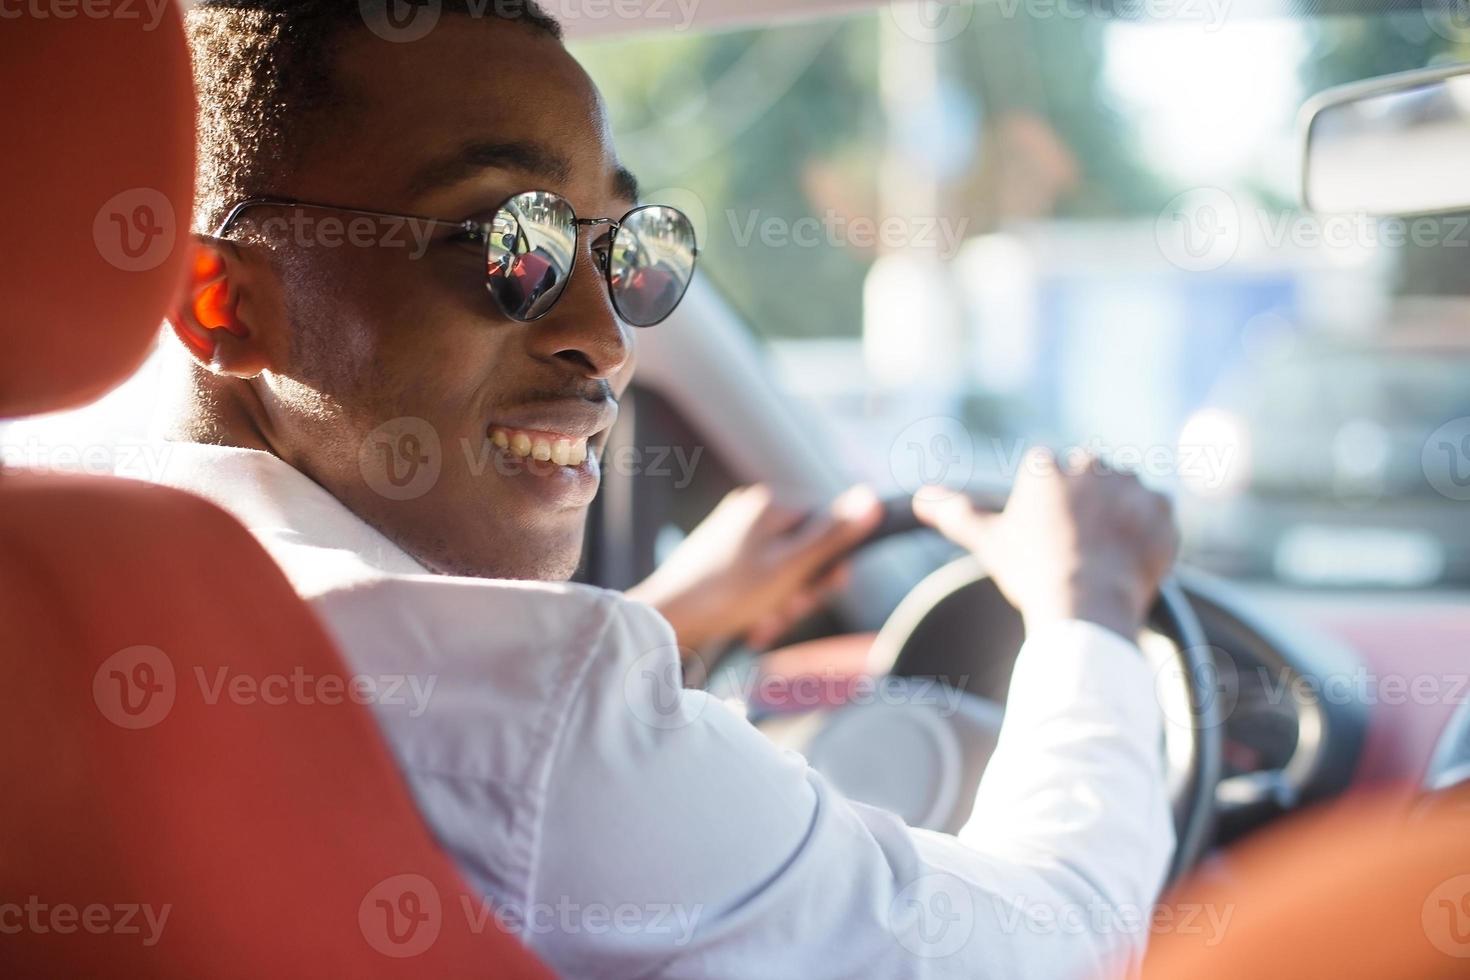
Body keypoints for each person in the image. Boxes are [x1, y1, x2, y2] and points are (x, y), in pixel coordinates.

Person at [146, 2, 1179, 975]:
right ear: (221, 300)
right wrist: (1088, 609)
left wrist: (661, 625)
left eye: (628, 249)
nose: (606, 338)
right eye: (509, 242)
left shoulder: (77, 588)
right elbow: (1065, 938)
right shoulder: (541, 716)